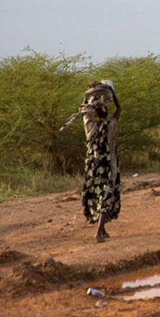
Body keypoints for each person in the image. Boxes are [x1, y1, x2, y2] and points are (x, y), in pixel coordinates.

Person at [61, 81, 121, 242]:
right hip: (107, 165)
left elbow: (84, 111)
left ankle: (102, 229)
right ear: (106, 113)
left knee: (96, 193)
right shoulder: (110, 126)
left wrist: (88, 99)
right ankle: (99, 231)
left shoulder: (90, 127)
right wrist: (111, 92)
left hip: (92, 166)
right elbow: (119, 110)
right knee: (106, 194)